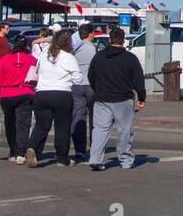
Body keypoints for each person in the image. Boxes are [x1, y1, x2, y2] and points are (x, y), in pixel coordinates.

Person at [87, 27, 147, 170]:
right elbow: (138, 79)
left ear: (110, 39)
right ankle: (125, 160)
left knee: (100, 129)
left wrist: (98, 90)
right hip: (123, 98)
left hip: (102, 98)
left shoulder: (99, 56)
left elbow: (91, 76)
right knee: (125, 130)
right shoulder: (130, 58)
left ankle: (95, 158)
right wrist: (141, 97)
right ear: (123, 40)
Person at [27, 28, 82, 167]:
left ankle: (32, 147)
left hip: (41, 93)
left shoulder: (45, 53)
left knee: (41, 125)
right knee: (62, 126)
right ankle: (62, 158)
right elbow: (78, 79)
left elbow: (37, 70)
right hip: (61, 93)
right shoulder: (68, 57)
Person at [0, 31, 37, 162]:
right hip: (25, 93)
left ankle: (13, 151)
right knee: (23, 124)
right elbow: (35, 79)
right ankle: (20, 153)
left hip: (7, 95)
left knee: (10, 124)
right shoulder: (32, 60)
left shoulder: (5, 60)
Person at [69, 27, 96, 161]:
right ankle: (95, 147)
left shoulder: (75, 49)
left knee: (78, 116)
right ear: (90, 34)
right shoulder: (93, 48)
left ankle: (79, 149)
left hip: (77, 85)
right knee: (95, 118)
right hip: (91, 85)